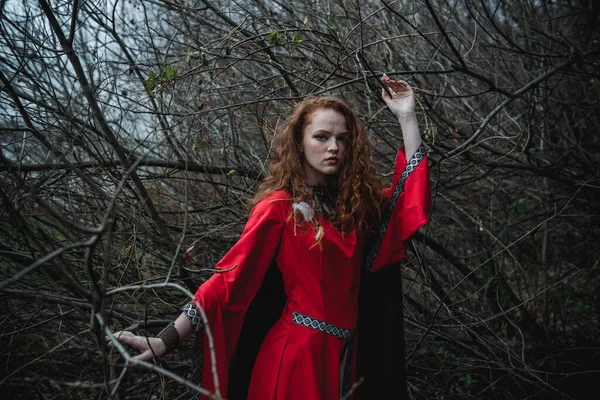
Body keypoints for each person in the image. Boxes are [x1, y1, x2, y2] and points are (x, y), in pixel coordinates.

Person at [107, 75, 431, 400]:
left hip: (347, 357)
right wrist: (166, 338)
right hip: (295, 358)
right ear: (299, 142)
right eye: (321, 136)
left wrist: (407, 117)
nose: (333, 147)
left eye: (342, 139)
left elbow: (408, 202)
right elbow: (226, 282)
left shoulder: (356, 209)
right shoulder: (278, 207)